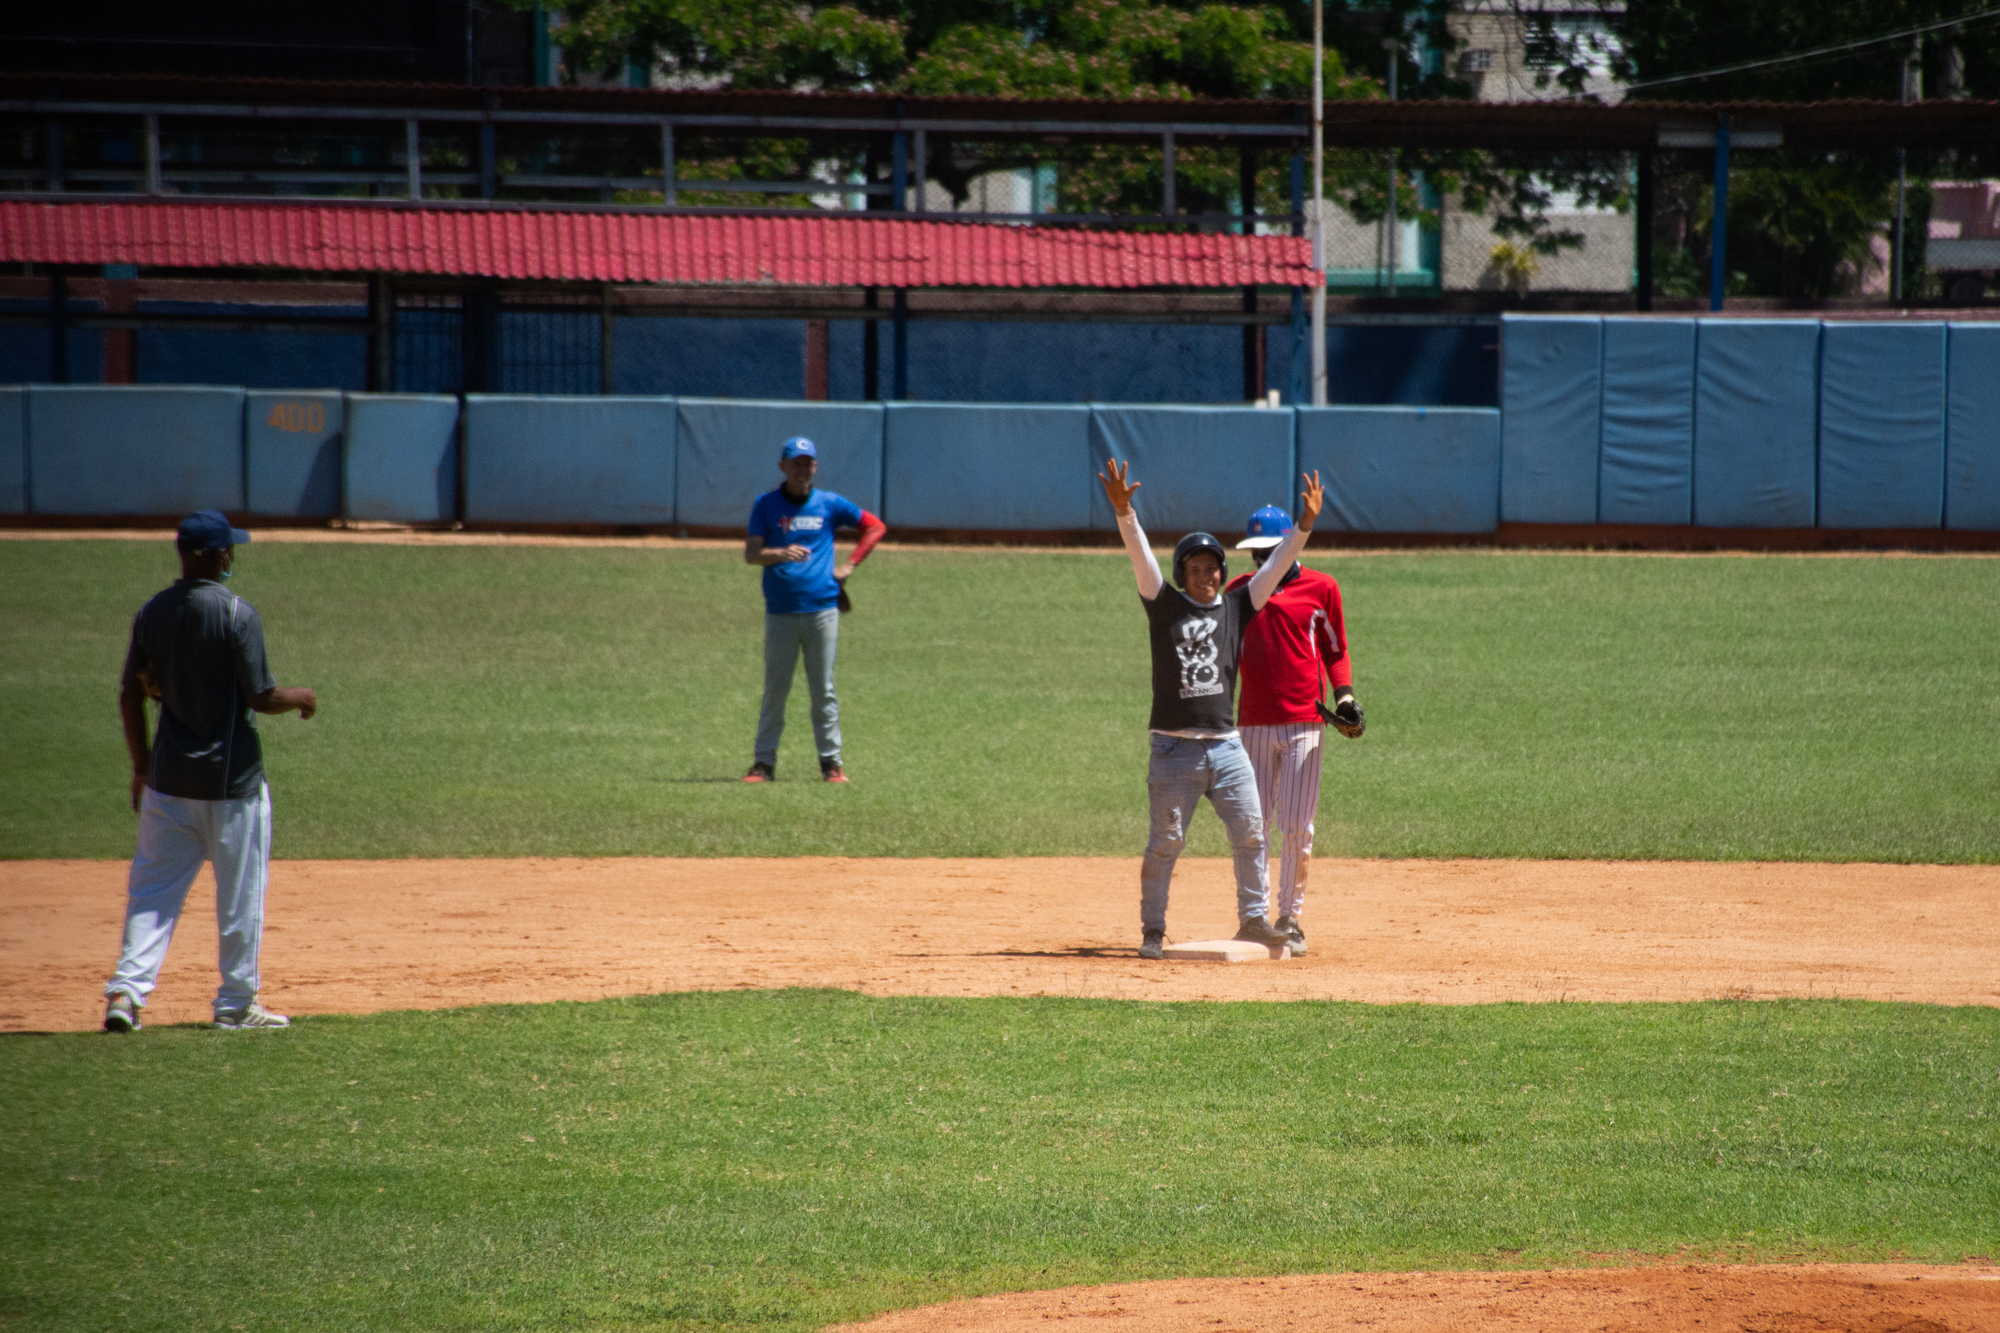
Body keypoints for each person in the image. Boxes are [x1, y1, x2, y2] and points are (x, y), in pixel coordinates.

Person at [1097, 459, 1323, 960]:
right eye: (1195, 569)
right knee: (1165, 844)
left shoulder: (1239, 605)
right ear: (1181, 575)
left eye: (1213, 568)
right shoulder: (1163, 602)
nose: (1205, 575)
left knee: (1250, 834)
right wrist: (1124, 511)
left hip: (1226, 746)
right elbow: (1140, 559)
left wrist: (1304, 525)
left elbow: (1277, 565)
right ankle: (1153, 931)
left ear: (1223, 573)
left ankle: (1253, 921)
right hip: (1174, 746)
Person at [104, 511, 318, 1033]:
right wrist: (302, 698)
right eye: (229, 549)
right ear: (219, 555)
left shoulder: (152, 612)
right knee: (240, 895)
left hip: (168, 783)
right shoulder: (237, 614)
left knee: (152, 893)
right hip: (232, 785)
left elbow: (131, 692)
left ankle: (126, 994)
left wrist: (141, 766)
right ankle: (236, 1004)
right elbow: (261, 697)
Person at [1227, 505, 1364, 959]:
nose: (1260, 560)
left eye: (1269, 551)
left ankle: (1290, 917)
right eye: (1256, 553)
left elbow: (1335, 650)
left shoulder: (1322, 588)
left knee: (1297, 826)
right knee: (1254, 825)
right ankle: (1255, 915)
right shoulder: (1237, 593)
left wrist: (1343, 698)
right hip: (1252, 724)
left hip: (1306, 722)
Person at [743, 436, 887, 783]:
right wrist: (780, 553)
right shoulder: (765, 505)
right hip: (780, 612)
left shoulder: (829, 504)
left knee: (823, 689)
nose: (802, 468)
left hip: (822, 611)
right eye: (795, 462)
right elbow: (751, 554)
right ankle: (764, 764)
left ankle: (831, 765)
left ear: (815, 467)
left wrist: (851, 565)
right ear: (783, 466)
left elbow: (874, 526)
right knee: (776, 689)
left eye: (807, 462)